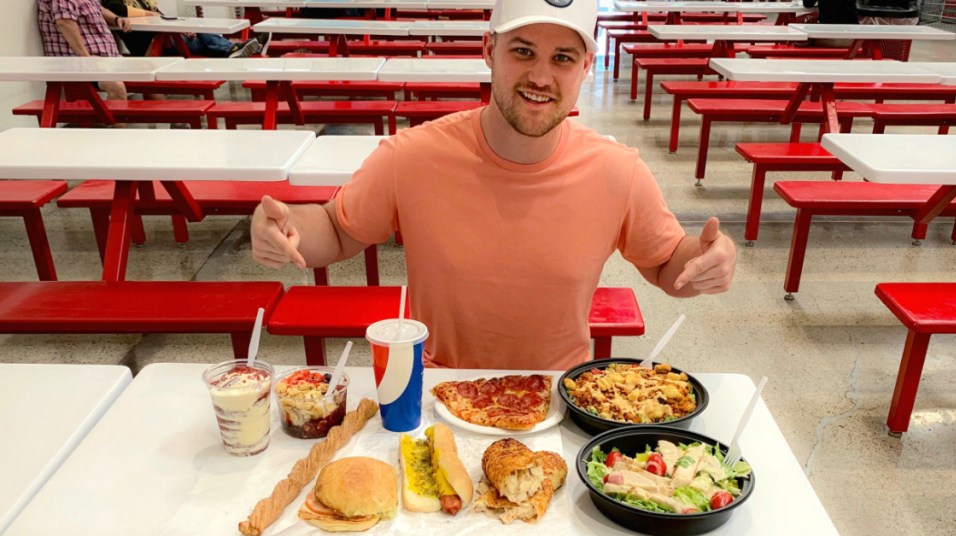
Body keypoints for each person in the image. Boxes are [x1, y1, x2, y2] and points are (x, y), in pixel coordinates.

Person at [250, 0, 737, 371]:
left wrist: (706, 260)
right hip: (438, 391)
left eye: (563, 58)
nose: (541, 76)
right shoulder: (412, 157)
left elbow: (667, 266)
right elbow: (337, 231)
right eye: (523, 51)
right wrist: (290, 227)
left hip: (557, 395)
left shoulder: (617, 171)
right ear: (489, 50)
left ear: (586, 67)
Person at [37, 0, 130, 115]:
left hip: (105, 60)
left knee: (153, 77)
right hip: (78, 64)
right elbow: (64, 22)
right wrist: (86, 58)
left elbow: (98, 9)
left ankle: (154, 128)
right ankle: (119, 132)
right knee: (117, 87)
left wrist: (116, 19)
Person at [101, 0, 261, 57]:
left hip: (164, 39)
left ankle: (233, 48)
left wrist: (181, 27)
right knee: (200, 37)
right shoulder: (114, 4)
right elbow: (115, 8)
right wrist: (151, 14)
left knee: (198, 32)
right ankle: (233, 48)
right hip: (150, 47)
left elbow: (159, 16)